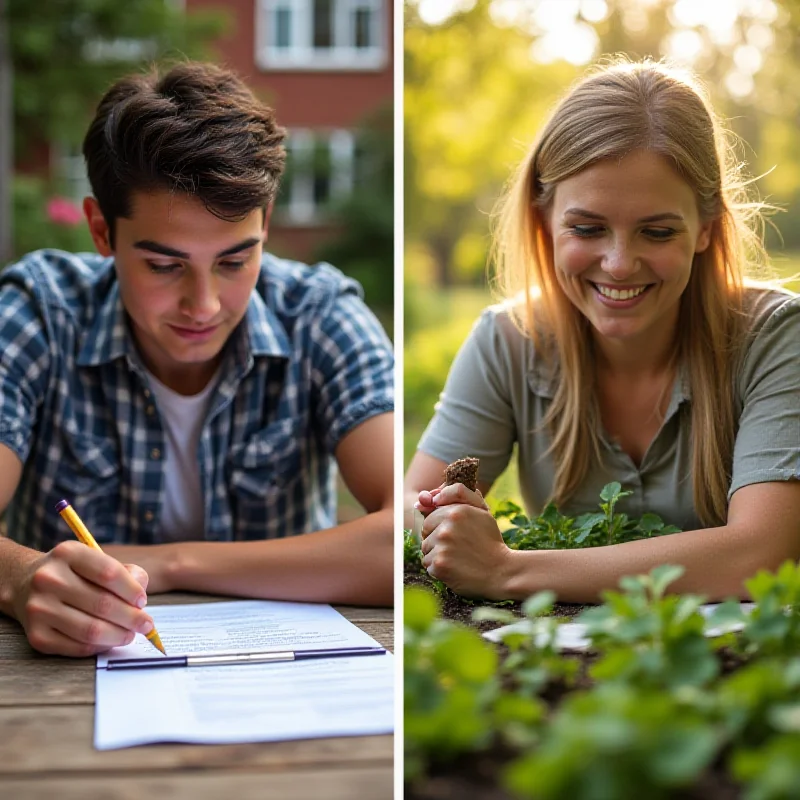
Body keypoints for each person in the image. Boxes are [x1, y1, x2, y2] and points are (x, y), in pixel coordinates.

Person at [0, 62, 394, 657]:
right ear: (102, 232)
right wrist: (18, 577)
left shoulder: (321, 316)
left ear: (266, 223)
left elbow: (409, 537)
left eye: (236, 262)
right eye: (164, 265)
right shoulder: (38, 313)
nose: (204, 305)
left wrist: (172, 564)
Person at [405, 58, 800, 603]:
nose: (618, 263)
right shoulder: (507, 339)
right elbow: (409, 500)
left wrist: (506, 570)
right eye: (588, 228)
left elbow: (762, 552)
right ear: (545, 221)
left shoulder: (776, 336)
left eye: (656, 232)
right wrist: (438, 520)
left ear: (706, 229)